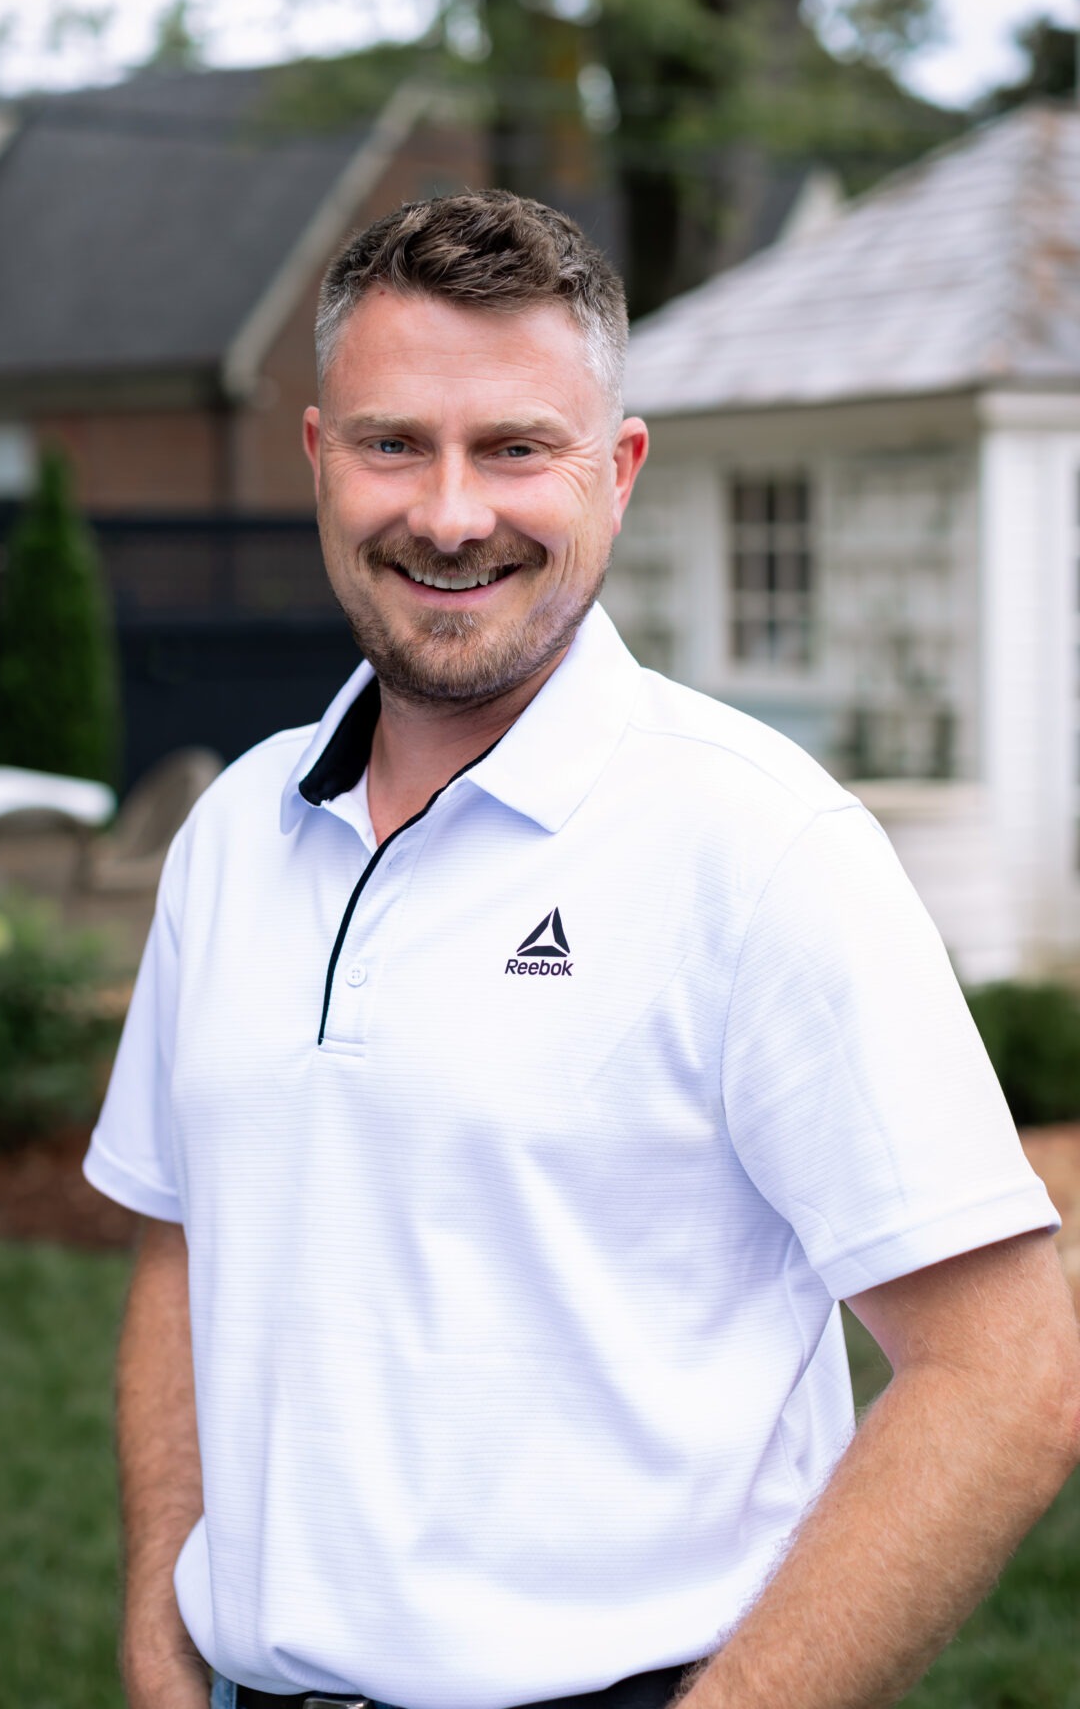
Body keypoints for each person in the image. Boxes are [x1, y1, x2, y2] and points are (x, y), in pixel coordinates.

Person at [85, 191, 1080, 1709]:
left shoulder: (759, 847)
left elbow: (1009, 1374)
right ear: (318, 459)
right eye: (394, 442)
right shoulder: (234, 831)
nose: (452, 510)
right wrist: (163, 1621)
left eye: (516, 448)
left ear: (615, 474)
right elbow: (183, 1232)